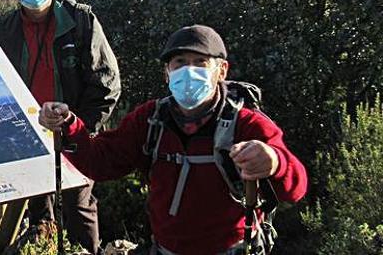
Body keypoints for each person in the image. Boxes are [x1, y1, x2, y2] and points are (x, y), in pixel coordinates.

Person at [39, 25, 308, 255]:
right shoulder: (150, 119)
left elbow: (295, 188)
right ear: (167, 72)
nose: (188, 71)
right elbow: (100, 162)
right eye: (179, 63)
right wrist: (68, 125)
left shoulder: (247, 124)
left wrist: (274, 162)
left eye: (200, 62)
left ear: (221, 70)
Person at [0, 0, 121, 253]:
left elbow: (107, 81)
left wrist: (80, 126)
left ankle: (88, 250)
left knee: (79, 205)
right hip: (30, 135)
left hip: (75, 132)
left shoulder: (80, 21)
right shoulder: (7, 29)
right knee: (40, 208)